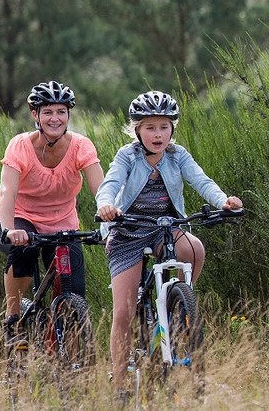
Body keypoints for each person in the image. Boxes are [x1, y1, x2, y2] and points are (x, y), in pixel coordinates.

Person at [96, 90, 242, 395]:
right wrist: (106, 205)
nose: (157, 134)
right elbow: (110, 183)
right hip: (129, 230)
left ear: (172, 128)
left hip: (166, 225)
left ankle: (176, 305)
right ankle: (121, 384)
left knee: (195, 248)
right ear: (137, 130)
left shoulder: (178, 155)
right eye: (150, 127)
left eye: (164, 126)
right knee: (123, 312)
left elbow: (201, 180)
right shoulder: (128, 155)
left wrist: (223, 201)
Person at [0, 80, 104, 343]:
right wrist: (9, 230)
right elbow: (8, 192)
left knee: (74, 290)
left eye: (61, 112)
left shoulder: (81, 146)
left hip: (62, 224)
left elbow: (101, 190)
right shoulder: (20, 145)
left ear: (68, 115)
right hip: (18, 218)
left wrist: (110, 216)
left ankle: (62, 351)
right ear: (35, 114)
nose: (55, 118)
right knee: (24, 251)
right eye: (48, 111)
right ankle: (13, 319)